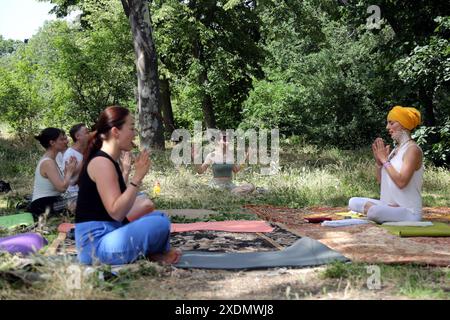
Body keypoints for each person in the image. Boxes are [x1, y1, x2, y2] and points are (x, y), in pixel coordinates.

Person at [75, 105, 181, 265]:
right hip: (95, 247)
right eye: (131, 128)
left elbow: (119, 210)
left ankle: (153, 254)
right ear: (116, 132)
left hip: (110, 235)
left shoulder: (108, 161)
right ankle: (153, 254)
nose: (134, 133)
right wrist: (137, 177)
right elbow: (117, 212)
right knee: (159, 223)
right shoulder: (101, 162)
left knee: (159, 217)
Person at [348, 105, 423, 223]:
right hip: (388, 205)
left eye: (391, 123)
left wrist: (385, 160)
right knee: (353, 201)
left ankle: (381, 210)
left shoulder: (413, 150)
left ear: (403, 125)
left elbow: (402, 182)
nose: (387, 127)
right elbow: (381, 181)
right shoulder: (396, 150)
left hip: (409, 211)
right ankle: (386, 209)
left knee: (374, 212)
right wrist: (379, 164)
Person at [29, 128, 78, 219]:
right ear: (52, 143)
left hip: (50, 202)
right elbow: (61, 188)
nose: (66, 141)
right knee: (83, 201)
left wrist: (67, 171)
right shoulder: (48, 162)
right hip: (43, 205)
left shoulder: (51, 160)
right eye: (62, 139)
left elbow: (63, 185)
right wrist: (69, 172)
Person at [61, 123, 90, 212]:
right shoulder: (70, 154)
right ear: (77, 136)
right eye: (86, 132)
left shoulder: (86, 150)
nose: (89, 134)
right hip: (74, 195)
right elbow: (69, 179)